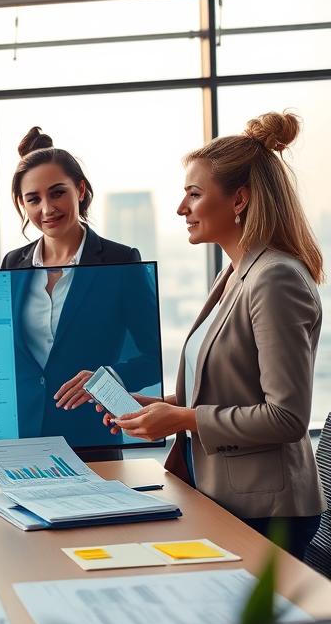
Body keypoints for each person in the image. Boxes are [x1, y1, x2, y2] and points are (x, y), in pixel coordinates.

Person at [106, 112, 325, 560]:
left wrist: (182, 419)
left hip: (267, 510)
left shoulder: (274, 278)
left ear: (239, 199)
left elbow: (286, 418)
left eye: (194, 194)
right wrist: (162, 410)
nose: (181, 208)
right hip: (223, 495)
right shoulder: (236, 275)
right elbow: (228, 386)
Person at [0, 127, 161, 459]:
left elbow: (154, 357)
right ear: (22, 203)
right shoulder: (12, 264)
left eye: (57, 193)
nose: (47, 209)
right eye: (33, 199)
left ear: (81, 190)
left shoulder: (119, 260)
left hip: (92, 437)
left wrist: (107, 377)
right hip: (24, 439)